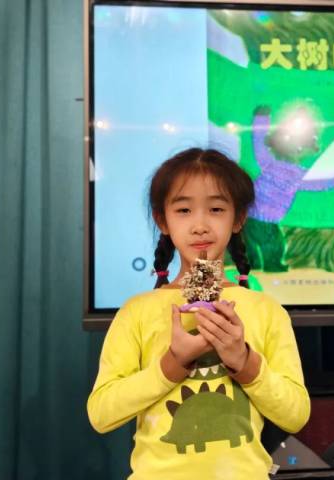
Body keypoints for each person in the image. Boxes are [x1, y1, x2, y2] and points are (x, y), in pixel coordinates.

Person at [87, 148, 310, 480]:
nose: (200, 226)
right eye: (184, 210)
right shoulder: (137, 312)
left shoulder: (266, 311)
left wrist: (243, 360)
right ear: (163, 220)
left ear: (238, 218)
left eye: (216, 209)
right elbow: (101, 414)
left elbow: (296, 415)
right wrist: (172, 363)